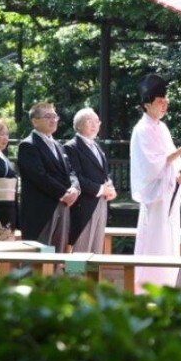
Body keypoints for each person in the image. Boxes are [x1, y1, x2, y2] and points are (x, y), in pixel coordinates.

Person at [130, 74, 181, 293]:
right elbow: (152, 164)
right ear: (147, 104)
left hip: (168, 190)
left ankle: (168, 284)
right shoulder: (142, 129)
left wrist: (179, 174)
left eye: (165, 101)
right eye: (160, 101)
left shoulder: (162, 127)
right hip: (155, 195)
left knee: (169, 240)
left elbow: (171, 162)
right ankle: (148, 286)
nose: (164, 104)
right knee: (155, 240)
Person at [17, 102, 80, 250]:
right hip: (41, 211)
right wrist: (63, 193)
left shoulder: (58, 145)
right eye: (48, 116)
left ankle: (57, 273)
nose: (53, 120)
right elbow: (39, 176)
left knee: (58, 254)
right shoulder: (28, 145)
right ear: (35, 121)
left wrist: (75, 189)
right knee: (39, 257)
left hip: (63, 206)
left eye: (55, 116)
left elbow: (71, 171)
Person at [64, 108, 117, 253]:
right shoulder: (71, 147)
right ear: (79, 124)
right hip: (84, 204)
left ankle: (93, 276)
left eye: (97, 121)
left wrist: (110, 188)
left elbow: (103, 174)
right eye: (89, 121)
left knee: (96, 249)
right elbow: (75, 177)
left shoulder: (97, 147)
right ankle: (73, 275)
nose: (95, 125)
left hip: (101, 202)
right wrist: (100, 189)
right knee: (80, 248)